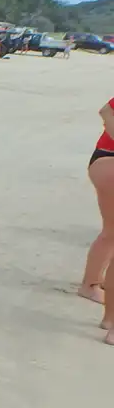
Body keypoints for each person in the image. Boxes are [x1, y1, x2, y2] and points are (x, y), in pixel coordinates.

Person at [80, 98, 114, 345]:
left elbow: (106, 111)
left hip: (103, 158)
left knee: (111, 233)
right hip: (110, 162)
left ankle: (90, 285)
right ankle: (111, 322)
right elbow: (105, 111)